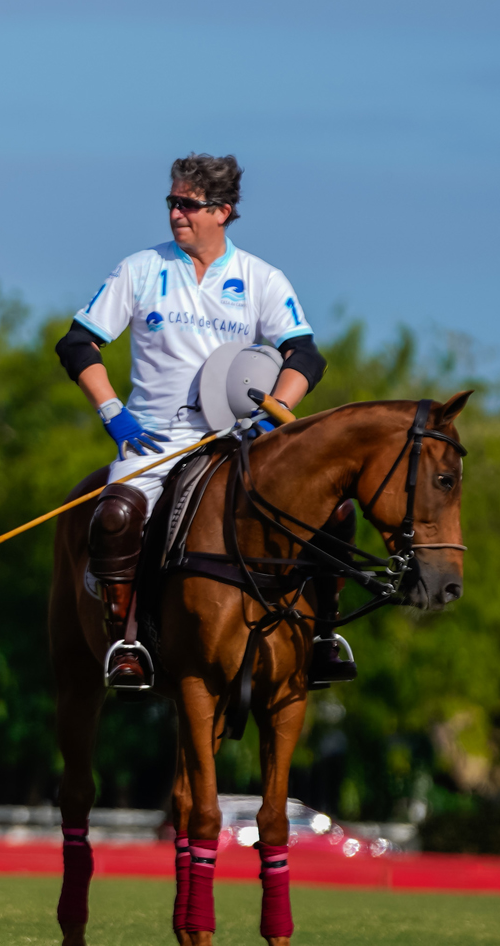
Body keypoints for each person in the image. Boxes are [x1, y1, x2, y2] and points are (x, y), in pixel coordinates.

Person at [53, 154, 327, 688]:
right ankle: (125, 642)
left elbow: (305, 354)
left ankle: (322, 638)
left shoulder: (259, 277)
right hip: (154, 437)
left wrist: (277, 415)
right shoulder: (139, 269)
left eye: (189, 205)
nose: (176, 213)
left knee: (329, 510)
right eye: (172, 203)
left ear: (222, 212)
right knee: (113, 518)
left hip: (236, 436)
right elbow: (77, 343)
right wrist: (114, 413)